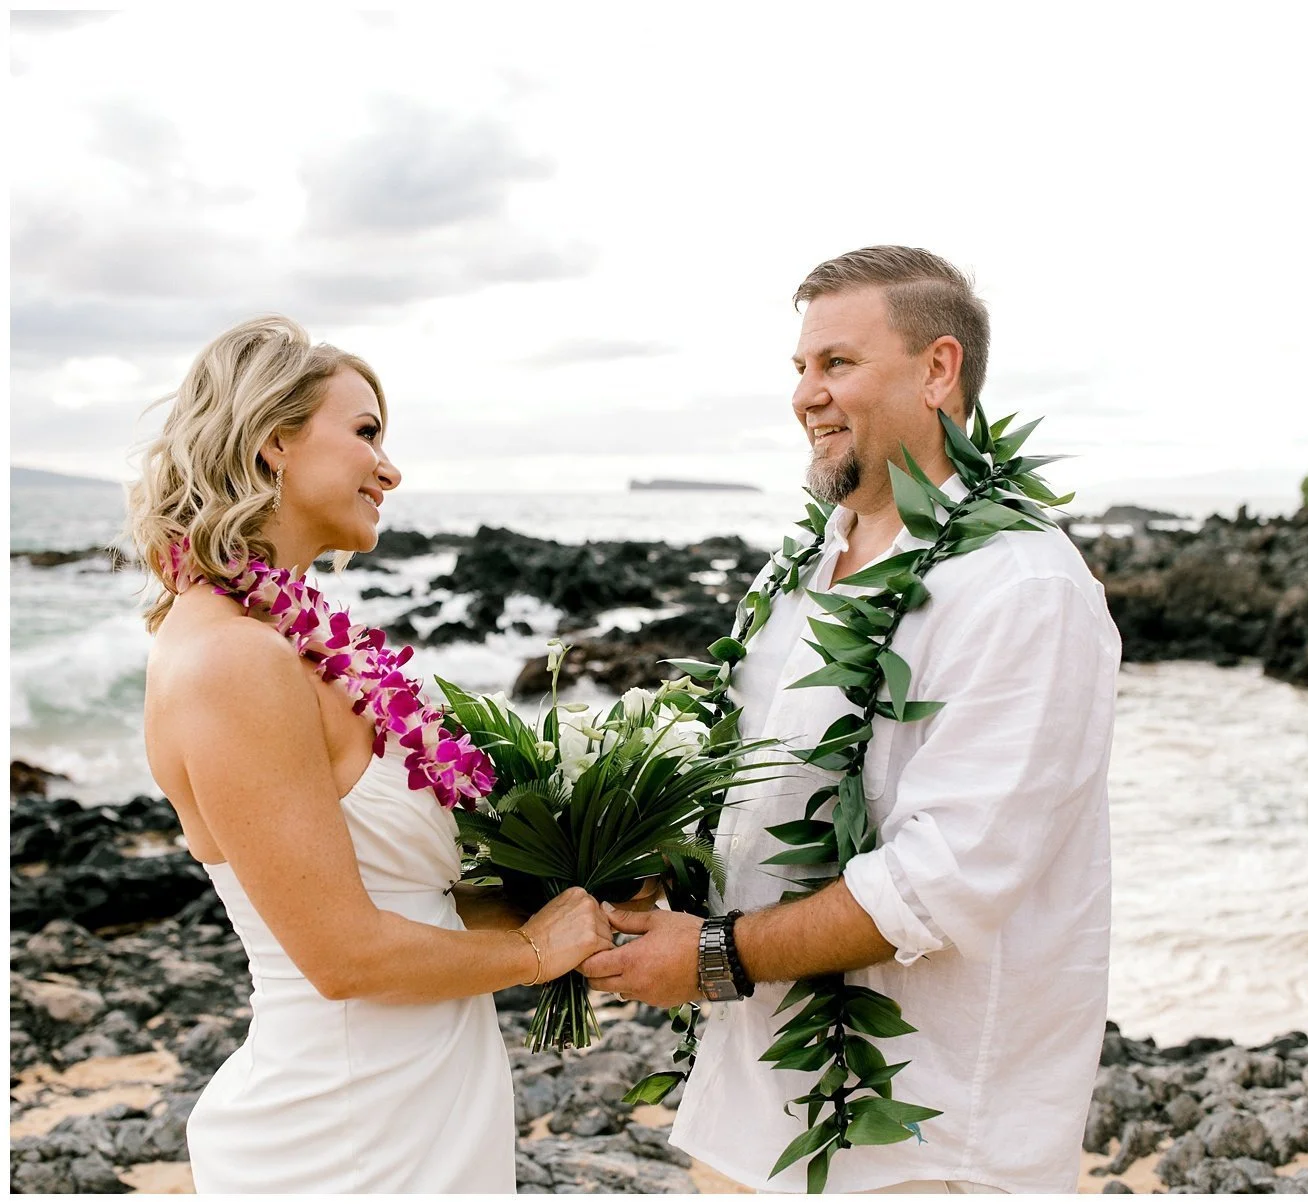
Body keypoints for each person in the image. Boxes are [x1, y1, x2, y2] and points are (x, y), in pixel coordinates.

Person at [582, 246, 1120, 1194]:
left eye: (837, 364)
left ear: (938, 369)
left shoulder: (1021, 586)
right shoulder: (790, 576)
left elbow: (943, 881)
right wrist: (641, 876)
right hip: (746, 1110)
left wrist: (709, 958)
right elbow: (743, 799)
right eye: (800, 368)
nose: (805, 395)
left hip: (922, 1141)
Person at [127, 315, 613, 1193]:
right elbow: (344, 955)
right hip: (346, 1136)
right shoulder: (233, 660)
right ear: (274, 441)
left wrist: (584, 891)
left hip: (423, 1104)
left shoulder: (293, 646)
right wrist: (537, 956)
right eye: (365, 434)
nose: (389, 469)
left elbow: (411, 909)